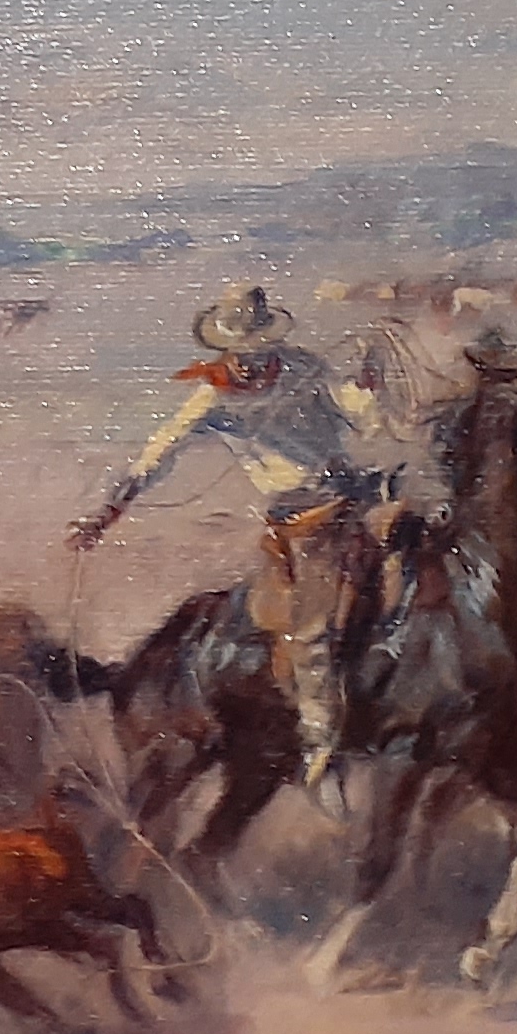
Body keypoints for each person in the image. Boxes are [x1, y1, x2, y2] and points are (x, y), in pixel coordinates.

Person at [67, 284, 396, 815]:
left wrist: (369, 386)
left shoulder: (305, 368)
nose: (250, 360)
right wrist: (107, 513)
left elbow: (358, 414)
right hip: (304, 523)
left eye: (258, 348)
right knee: (313, 628)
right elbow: (159, 453)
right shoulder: (211, 398)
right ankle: (320, 749)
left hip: (360, 495)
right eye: (241, 351)